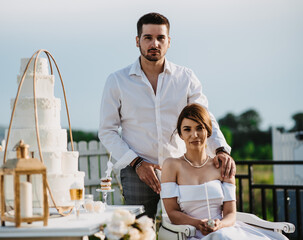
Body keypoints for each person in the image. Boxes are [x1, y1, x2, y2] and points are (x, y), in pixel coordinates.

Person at [98, 12, 235, 220]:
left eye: (160, 38)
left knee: (184, 229)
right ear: (137, 41)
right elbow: (107, 131)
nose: (155, 43)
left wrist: (221, 149)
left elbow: (205, 120)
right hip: (137, 173)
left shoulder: (186, 78)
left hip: (183, 169)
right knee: (139, 229)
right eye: (148, 38)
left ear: (169, 41)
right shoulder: (117, 81)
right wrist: (137, 163)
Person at [161, 103, 288, 240]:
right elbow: (172, 212)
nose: (194, 134)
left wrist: (219, 224)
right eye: (187, 129)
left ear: (208, 131)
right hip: (192, 232)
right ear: (180, 134)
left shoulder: (223, 166)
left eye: (200, 128)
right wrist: (198, 224)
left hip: (224, 230)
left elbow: (230, 214)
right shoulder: (172, 165)